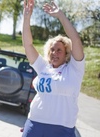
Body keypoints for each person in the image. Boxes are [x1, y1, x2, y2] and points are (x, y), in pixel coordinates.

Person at [22, 1, 85, 137]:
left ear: (67, 53)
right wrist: (26, 18)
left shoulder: (74, 69)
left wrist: (60, 16)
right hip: (35, 124)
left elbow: (75, 39)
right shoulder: (43, 67)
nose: (54, 53)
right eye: (52, 49)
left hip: (62, 129)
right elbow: (28, 45)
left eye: (59, 50)